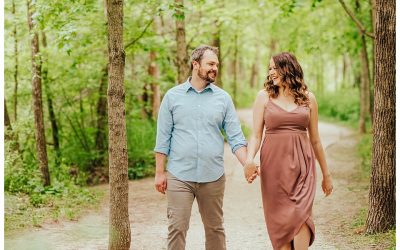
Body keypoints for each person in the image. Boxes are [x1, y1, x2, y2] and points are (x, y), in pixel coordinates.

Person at [154, 45, 258, 250]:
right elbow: (163, 137)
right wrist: (159, 172)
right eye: (210, 64)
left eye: (217, 65)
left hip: (213, 176)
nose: (215, 68)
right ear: (195, 64)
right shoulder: (173, 96)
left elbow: (236, 137)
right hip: (179, 175)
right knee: (177, 228)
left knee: (215, 229)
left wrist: (247, 163)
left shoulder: (223, 98)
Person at [244, 52, 333, 250]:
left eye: (275, 68)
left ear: (288, 68)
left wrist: (326, 175)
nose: (271, 72)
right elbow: (256, 135)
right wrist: (249, 159)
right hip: (274, 167)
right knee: (280, 222)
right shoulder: (264, 96)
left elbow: (316, 140)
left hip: (303, 165)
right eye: (269, 69)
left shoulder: (308, 98)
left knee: (301, 215)